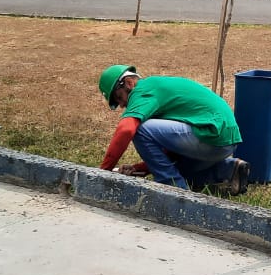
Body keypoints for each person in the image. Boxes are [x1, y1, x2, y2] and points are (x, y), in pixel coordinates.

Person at [97, 64, 250, 194]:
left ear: (129, 83)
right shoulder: (158, 92)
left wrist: (101, 173)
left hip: (211, 134)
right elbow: (172, 151)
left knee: (141, 129)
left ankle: (175, 191)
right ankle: (231, 170)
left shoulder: (142, 91)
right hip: (224, 140)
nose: (122, 105)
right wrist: (140, 169)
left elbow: (126, 130)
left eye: (119, 98)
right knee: (177, 170)